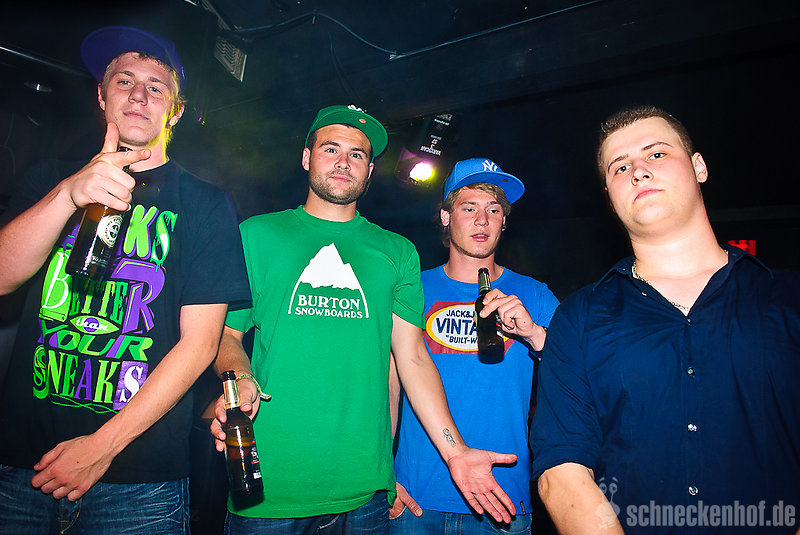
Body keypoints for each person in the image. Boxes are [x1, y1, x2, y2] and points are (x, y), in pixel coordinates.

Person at [210, 105, 519, 534]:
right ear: (307, 157)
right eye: (331, 148)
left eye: (356, 154)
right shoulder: (256, 235)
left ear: (370, 170)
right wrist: (240, 376)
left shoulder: (397, 251)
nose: (343, 161)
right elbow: (225, 335)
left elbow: (412, 357)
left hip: (365, 494)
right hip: (270, 487)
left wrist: (455, 452)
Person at [0, 26, 250, 534]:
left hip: (139, 483)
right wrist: (70, 193)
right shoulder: (50, 177)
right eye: (124, 80)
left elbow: (200, 345)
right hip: (22, 467)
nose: (139, 94)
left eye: (156, 87)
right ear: (101, 95)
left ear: (175, 112)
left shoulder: (205, 203)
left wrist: (101, 447)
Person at [530, 105, 800, 534]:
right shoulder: (578, 318)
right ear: (609, 196)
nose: (638, 172)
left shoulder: (787, 299)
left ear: (699, 167)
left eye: (656, 154)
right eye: (620, 167)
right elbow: (561, 473)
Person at [389, 158, 560, 534]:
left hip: (502, 502)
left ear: (504, 221)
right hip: (416, 500)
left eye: (494, 210)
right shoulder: (412, 289)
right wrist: (382, 474)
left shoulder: (534, 294)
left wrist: (534, 333)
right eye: (469, 208)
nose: (482, 220)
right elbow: (388, 385)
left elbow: (581, 374)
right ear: (446, 216)